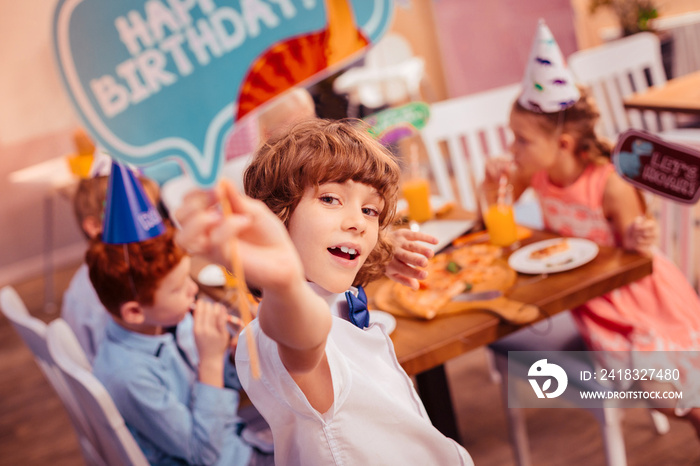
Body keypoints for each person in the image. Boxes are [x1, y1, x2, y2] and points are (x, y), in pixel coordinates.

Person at [175, 119, 473, 465]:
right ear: (278, 215)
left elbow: (325, 272)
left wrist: (380, 252)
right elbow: (304, 340)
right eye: (331, 199)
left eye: (370, 210)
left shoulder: (334, 290)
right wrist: (283, 283)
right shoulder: (277, 333)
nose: (359, 222)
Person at [485, 20, 700, 434]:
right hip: (592, 298)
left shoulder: (609, 184)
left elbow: (640, 248)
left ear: (562, 144)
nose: (512, 149)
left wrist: (641, 236)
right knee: (665, 384)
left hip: (640, 295)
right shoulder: (539, 175)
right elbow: (495, 215)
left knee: (674, 386)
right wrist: (491, 183)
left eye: (520, 140)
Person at [87, 162, 270, 465]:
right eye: (176, 289)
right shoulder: (128, 376)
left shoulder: (165, 322)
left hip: (240, 437)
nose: (192, 290)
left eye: (188, 278)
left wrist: (227, 355)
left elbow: (211, 390)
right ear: (134, 311)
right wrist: (210, 362)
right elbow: (203, 455)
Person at [61, 172, 160, 363]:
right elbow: (116, 362)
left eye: (151, 214)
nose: (151, 226)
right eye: (138, 216)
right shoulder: (109, 294)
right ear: (95, 226)